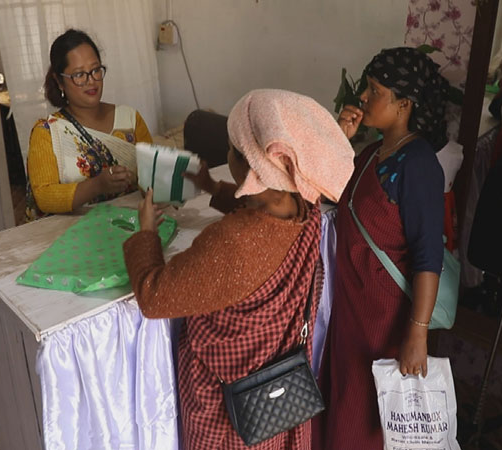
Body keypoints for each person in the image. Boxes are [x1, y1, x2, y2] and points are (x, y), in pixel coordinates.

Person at [122, 89, 354, 450]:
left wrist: (146, 234)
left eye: (230, 149)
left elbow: (154, 297)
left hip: (225, 409)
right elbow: (265, 205)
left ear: (251, 165)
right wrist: (214, 188)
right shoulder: (306, 207)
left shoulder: (234, 240)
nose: (225, 154)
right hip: (276, 395)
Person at [313, 47, 448, 449]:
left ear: (404, 104)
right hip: (352, 309)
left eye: (375, 91)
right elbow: (326, 196)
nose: (364, 98)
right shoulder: (373, 153)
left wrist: (417, 334)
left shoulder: (419, 164)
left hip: (384, 319)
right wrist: (340, 140)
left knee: (368, 418)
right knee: (343, 402)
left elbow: (428, 256)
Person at [25, 29, 153, 221]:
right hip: (73, 237)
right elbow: (44, 196)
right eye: (79, 75)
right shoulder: (47, 132)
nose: (91, 81)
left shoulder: (130, 119)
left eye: (95, 70)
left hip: (130, 225)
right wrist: (97, 185)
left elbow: (153, 176)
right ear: (60, 82)